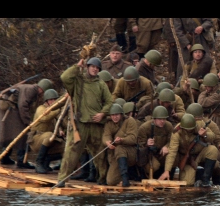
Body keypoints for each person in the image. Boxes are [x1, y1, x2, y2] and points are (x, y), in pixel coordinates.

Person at [56, 58, 113, 187]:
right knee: (71, 153)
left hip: (95, 124)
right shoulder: (78, 81)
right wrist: (77, 66)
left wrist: (102, 113)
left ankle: (102, 178)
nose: (95, 69)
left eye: (97, 68)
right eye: (92, 66)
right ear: (87, 67)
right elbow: (64, 77)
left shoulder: (101, 84)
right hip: (80, 124)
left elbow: (110, 101)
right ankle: (62, 179)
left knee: (99, 154)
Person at [164, 113, 220, 187]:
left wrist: (204, 135)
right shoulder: (177, 132)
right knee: (188, 183)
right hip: (187, 160)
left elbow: (213, 136)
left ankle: (206, 180)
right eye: (187, 130)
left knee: (213, 150)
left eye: (191, 129)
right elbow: (172, 151)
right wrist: (167, 171)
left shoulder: (200, 124)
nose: (190, 131)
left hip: (200, 154)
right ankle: (199, 177)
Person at [0, 79, 44, 167]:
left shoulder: (30, 89)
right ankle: (21, 160)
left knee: (9, 134)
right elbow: (23, 105)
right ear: (41, 89)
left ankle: (5, 157)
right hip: (11, 110)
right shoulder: (31, 90)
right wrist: (27, 121)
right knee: (23, 134)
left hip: (9, 110)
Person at [28, 89, 66, 174]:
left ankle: (47, 160)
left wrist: (60, 130)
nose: (53, 101)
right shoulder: (41, 109)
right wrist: (58, 109)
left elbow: (57, 122)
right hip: (36, 140)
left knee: (65, 147)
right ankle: (39, 163)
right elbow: (45, 118)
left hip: (49, 141)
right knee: (49, 135)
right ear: (46, 101)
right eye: (51, 100)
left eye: (54, 99)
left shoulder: (55, 111)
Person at [102, 103, 139, 187]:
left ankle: (125, 179)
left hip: (131, 152)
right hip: (117, 155)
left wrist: (122, 140)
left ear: (121, 114)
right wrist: (107, 142)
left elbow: (133, 138)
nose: (115, 117)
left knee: (120, 148)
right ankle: (124, 176)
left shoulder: (130, 121)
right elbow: (106, 135)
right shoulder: (109, 124)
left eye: (117, 115)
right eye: (113, 115)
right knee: (111, 181)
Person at [137, 106, 174, 177]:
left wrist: (166, 146)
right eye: (160, 119)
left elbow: (172, 141)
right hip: (149, 154)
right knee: (154, 166)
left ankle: (167, 177)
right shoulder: (144, 128)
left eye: (164, 119)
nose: (162, 121)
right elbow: (140, 146)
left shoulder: (169, 126)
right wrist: (146, 144)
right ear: (154, 119)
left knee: (173, 158)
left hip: (161, 152)